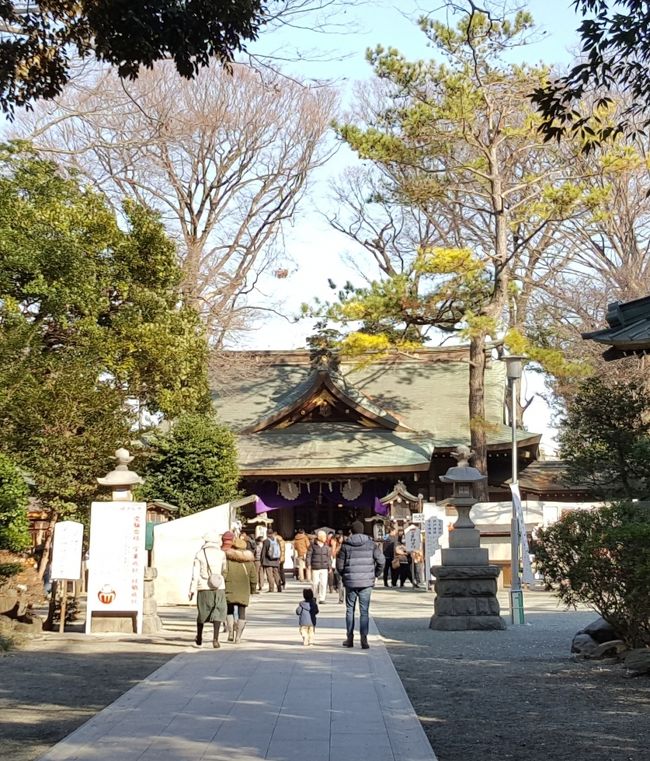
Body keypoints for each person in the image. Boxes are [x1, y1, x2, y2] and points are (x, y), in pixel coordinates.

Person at [336, 520, 384, 649]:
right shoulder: (371, 544)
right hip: (366, 581)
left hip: (351, 580)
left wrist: (344, 575)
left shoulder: (346, 545)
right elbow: (381, 561)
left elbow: (339, 565)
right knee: (364, 612)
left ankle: (349, 638)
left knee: (349, 610)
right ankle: (364, 638)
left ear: (351, 531)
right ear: (363, 530)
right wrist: (375, 574)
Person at [189, 532, 227, 648]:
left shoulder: (199, 554)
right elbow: (224, 570)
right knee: (218, 611)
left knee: (202, 612)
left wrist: (192, 589)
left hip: (203, 586)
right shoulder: (221, 554)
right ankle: (215, 639)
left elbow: (195, 574)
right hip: (219, 587)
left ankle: (199, 636)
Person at [224, 535, 257, 643]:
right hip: (244, 589)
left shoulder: (228, 560)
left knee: (229, 610)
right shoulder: (249, 562)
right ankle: (238, 637)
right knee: (242, 612)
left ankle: (230, 632)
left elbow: (224, 573)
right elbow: (253, 578)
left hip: (229, 587)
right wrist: (252, 589)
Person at [307, 530, 331, 604]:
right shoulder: (313, 545)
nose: (325, 538)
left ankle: (322, 598)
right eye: (324, 536)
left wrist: (329, 566)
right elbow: (309, 555)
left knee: (323, 583)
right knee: (315, 583)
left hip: (324, 567)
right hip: (315, 567)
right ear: (320, 537)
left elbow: (328, 557)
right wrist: (308, 564)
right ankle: (314, 597)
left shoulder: (326, 546)